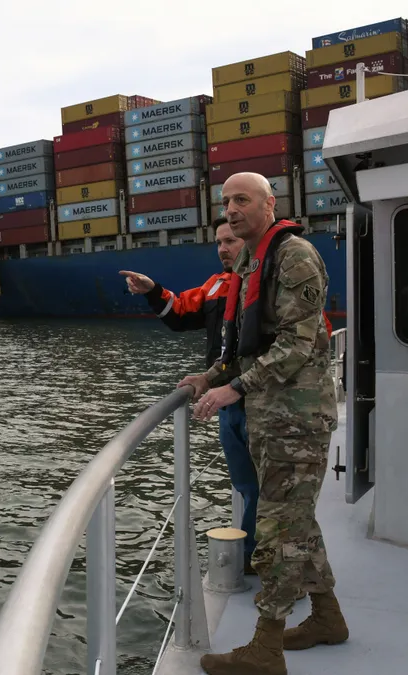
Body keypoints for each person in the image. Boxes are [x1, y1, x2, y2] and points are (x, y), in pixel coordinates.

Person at [180, 173, 345, 675]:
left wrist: (235, 388)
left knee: (275, 529)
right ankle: (327, 620)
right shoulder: (251, 260)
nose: (230, 209)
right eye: (226, 201)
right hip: (271, 419)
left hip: (297, 417)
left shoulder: (293, 255)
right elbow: (247, 343)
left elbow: (296, 343)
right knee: (298, 521)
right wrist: (209, 375)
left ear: (271, 204)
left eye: (242, 200)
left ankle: (265, 648)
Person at [119, 221, 260, 575]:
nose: (223, 249)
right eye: (218, 243)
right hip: (227, 405)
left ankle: (263, 560)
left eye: (230, 240)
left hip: (264, 402)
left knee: (269, 488)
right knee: (245, 485)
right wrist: (154, 291)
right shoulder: (216, 285)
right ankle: (254, 557)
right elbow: (180, 311)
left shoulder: (272, 280)